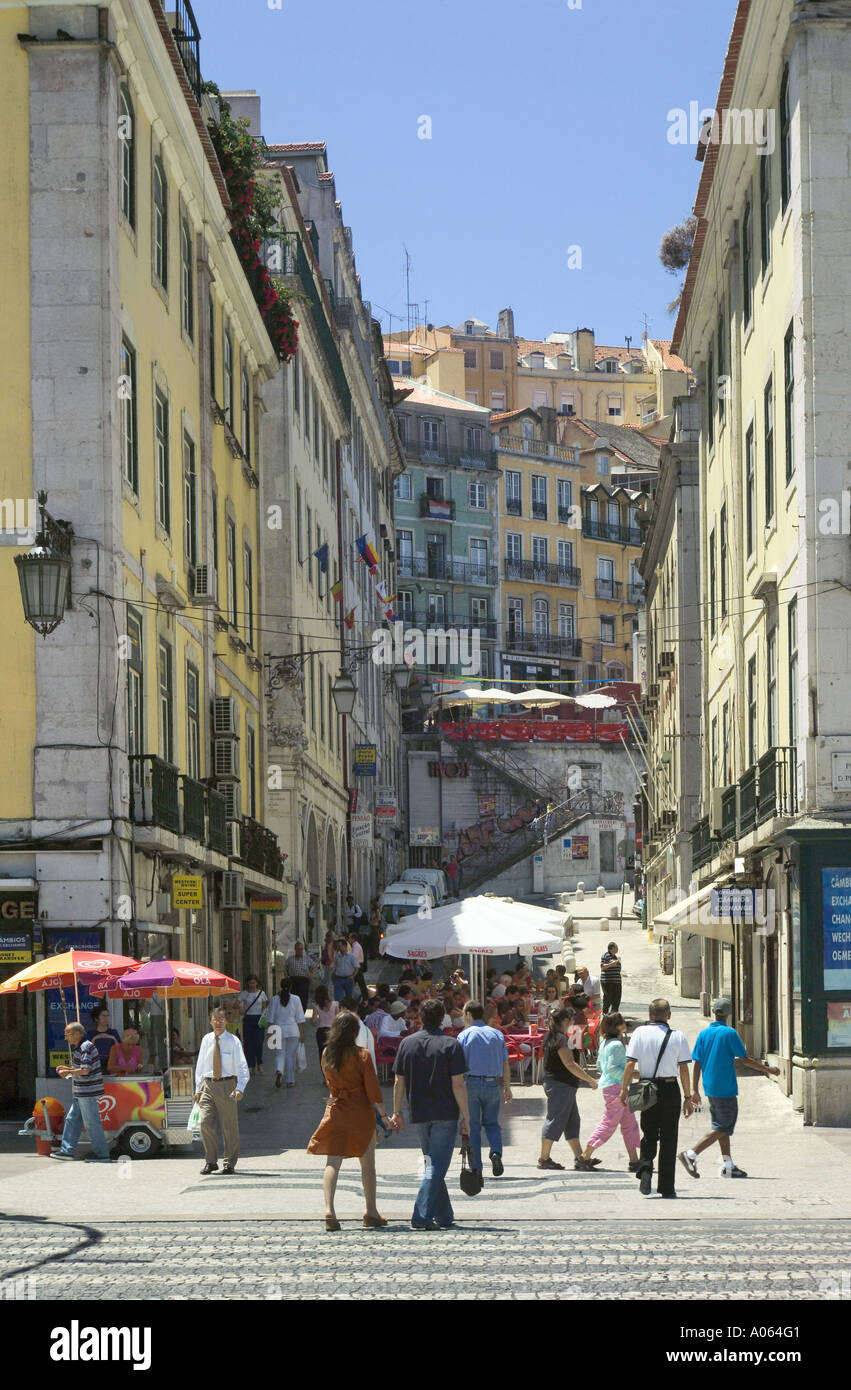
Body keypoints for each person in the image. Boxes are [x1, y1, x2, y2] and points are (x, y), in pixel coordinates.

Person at [307, 1011, 398, 1230]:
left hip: (336, 1109)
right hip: (360, 1113)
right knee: (367, 1165)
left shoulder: (327, 1053)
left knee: (332, 1163)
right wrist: (384, 1117)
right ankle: (371, 1212)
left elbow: (330, 1082)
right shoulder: (363, 1055)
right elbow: (373, 1090)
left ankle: (329, 1210)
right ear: (355, 1031)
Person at [679, 997, 781, 1181]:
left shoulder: (703, 1034)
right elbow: (744, 1058)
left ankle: (728, 1166)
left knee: (721, 1127)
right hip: (725, 1087)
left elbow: (697, 1062)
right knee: (723, 1126)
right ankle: (691, 1154)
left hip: (710, 1086)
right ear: (728, 1014)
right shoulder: (730, 1033)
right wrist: (768, 1070)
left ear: (714, 1012)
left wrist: (694, 1089)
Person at [392, 998, 471, 1230]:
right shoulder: (451, 1045)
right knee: (435, 1166)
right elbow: (458, 1084)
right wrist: (466, 1116)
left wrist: (397, 1112)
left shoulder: (407, 1043)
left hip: (419, 1111)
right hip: (445, 1112)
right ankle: (421, 1215)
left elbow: (399, 1081)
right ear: (443, 1018)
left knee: (432, 1163)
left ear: (420, 1018)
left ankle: (444, 1215)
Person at [620, 998, 694, 1198]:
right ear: (668, 1015)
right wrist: (688, 1096)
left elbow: (629, 1064)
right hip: (670, 1088)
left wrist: (624, 1089)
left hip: (646, 1087)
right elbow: (684, 1069)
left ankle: (645, 1170)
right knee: (669, 1138)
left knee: (649, 1132)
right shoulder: (677, 1036)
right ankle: (667, 1187)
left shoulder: (639, 1033)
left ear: (649, 1015)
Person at [537, 1007, 599, 1172]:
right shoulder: (560, 1039)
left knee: (572, 1121)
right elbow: (570, 1064)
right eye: (571, 1020)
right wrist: (590, 1079)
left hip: (563, 1085)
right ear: (565, 1021)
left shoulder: (554, 1037)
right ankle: (544, 1158)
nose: (572, 1023)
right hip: (560, 1085)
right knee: (555, 1120)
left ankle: (580, 1158)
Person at [458, 1001, 511, 1178]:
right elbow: (505, 1063)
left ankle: (476, 1167)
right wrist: (508, 1087)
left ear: (468, 1015)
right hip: (492, 1084)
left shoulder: (464, 1036)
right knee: (492, 1123)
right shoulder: (497, 1034)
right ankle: (495, 1152)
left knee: (472, 1126)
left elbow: (457, 1067)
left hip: (471, 1084)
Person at [580, 1013, 641, 1170]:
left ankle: (634, 1160)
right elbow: (613, 1068)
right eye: (621, 1022)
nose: (624, 1024)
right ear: (616, 1026)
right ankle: (585, 1155)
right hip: (617, 1088)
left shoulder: (605, 1043)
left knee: (629, 1123)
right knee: (609, 1124)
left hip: (612, 1087)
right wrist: (632, 1074)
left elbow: (601, 1066)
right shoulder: (617, 1045)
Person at [194, 1008, 249, 1174]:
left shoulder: (233, 1041)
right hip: (208, 1085)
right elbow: (200, 1065)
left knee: (229, 1126)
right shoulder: (206, 1040)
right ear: (210, 1021)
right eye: (215, 1019)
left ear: (226, 1021)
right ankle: (211, 1161)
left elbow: (242, 1066)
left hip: (227, 1085)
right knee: (205, 1122)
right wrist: (198, 1088)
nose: (218, 1022)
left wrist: (240, 1087)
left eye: (221, 1019)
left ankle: (229, 1162)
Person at [52, 1022, 111, 1162]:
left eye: (69, 1034)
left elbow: (85, 1070)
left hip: (87, 1092)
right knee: (72, 1120)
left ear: (79, 1034)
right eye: (66, 1034)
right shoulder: (81, 1048)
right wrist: (67, 1068)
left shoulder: (86, 1047)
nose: (66, 1037)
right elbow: (81, 1069)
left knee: (92, 1123)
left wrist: (68, 1071)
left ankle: (102, 1154)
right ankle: (67, 1151)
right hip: (81, 1092)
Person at [265, 977, 306, 1089]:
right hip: (293, 1030)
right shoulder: (296, 999)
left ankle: (279, 1070)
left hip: (278, 1030)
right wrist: (302, 1033)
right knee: (290, 1056)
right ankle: (290, 1080)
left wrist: (269, 1032)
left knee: (280, 1054)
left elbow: (270, 1018)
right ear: (291, 987)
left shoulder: (274, 999)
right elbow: (300, 1018)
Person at [237, 974, 268, 1077]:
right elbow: (236, 1004)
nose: (252, 985)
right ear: (248, 983)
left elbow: (264, 1006)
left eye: (254, 983)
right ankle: (251, 1066)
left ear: (257, 983)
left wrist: (265, 1017)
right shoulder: (244, 994)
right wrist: (241, 1009)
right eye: (250, 983)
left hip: (258, 1020)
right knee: (248, 1044)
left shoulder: (262, 994)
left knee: (259, 1043)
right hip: (248, 1019)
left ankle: (260, 1064)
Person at [338, 996, 377, 1066]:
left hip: (354, 1071)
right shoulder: (366, 1030)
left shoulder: (347, 1028)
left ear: (344, 1009)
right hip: (365, 1070)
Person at [312, 985, 339, 1062]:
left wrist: (315, 1022)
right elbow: (337, 1019)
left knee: (322, 1053)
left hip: (321, 1031)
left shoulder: (316, 1005)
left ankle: (324, 1071)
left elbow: (313, 1020)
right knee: (333, 1053)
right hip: (332, 1031)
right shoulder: (335, 1004)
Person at [284, 941, 312, 1011]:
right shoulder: (290, 959)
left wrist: (310, 974)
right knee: (293, 997)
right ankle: (294, 1011)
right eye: (298, 949)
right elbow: (285, 968)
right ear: (295, 949)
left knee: (303, 998)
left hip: (304, 980)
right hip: (293, 980)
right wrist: (286, 977)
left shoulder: (307, 958)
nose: (300, 951)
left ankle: (302, 1012)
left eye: (301, 949)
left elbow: (314, 967)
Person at [332, 936, 360, 1003]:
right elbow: (335, 966)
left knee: (349, 997)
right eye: (338, 946)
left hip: (348, 979)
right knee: (338, 998)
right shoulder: (337, 956)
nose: (339, 948)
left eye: (340, 946)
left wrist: (352, 976)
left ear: (345, 946)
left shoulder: (351, 956)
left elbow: (356, 968)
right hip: (338, 978)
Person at [600, 942, 622, 1014]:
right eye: (616, 947)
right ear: (611, 948)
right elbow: (602, 967)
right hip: (608, 981)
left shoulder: (615, 957)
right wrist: (613, 964)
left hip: (617, 981)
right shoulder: (606, 955)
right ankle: (605, 1014)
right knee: (608, 998)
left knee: (617, 999)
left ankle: (614, 1014)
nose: (617, 949)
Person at [348, 931, 368, 1000]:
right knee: (358, 983)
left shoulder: (356, 946)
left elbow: (354, 958)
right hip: (357, 966)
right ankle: (364, 997)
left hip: (357, 966)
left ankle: (365, 998)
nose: (348, 940)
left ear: (353, 939)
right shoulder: (355, 946)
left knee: (360, 983)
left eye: (349, 938)